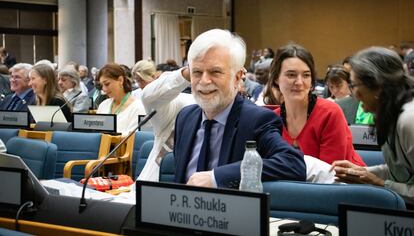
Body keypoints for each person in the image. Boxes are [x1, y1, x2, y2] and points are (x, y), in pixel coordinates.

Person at [173, 29, 306, 188]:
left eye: (215, 72)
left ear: (237, 77)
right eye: (197, 72)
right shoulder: (185, 117)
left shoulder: (256, 120)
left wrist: (217, 177)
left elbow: (293, 163)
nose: (204, 81)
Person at [332, 47, 414, 207]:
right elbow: (402, 171)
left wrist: (380, 184)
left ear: (377, 84)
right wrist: (363, 173)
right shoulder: (392, 113)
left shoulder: (409, 120)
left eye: (354, 85)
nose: (353, 93)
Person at [264, 44, 365, 166]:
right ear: (276, 78)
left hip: (348, 184)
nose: (299, 82)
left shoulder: (330, 112)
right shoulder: (272, 120)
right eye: (291, 75)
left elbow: (330, 173)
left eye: (306, 75)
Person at [138, 66, 195, 181]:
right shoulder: (182, 102)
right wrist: (185, 74)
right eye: (199, 72)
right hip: (153, 185)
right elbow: (149, 98)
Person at [96, 63, 145, 135]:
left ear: (120, 80)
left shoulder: (138, 107)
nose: (104, 89)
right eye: (102, 85)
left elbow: (133, 138)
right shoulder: (103, 105)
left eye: (107, 84)